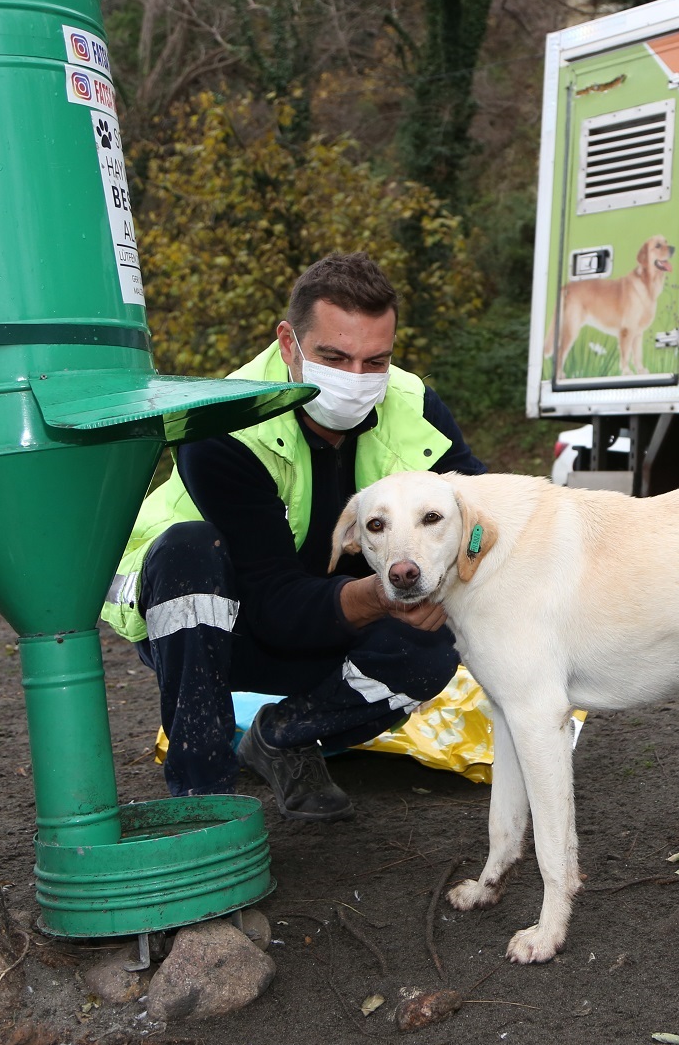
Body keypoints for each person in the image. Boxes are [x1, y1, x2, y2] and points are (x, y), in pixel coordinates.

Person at [101, 252, 484, 820]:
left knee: (432, 648)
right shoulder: (221, 424)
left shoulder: (413, 405)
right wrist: (387, 594)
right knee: (190, 554)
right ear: (289, 343)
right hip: (217, 625)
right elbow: (273, 603)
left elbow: (484, 511)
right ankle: (203, 802)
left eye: (375, 360)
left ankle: (284, 738)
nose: (356, 380)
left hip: (335, 616)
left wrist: (448, 576)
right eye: (333, 356)